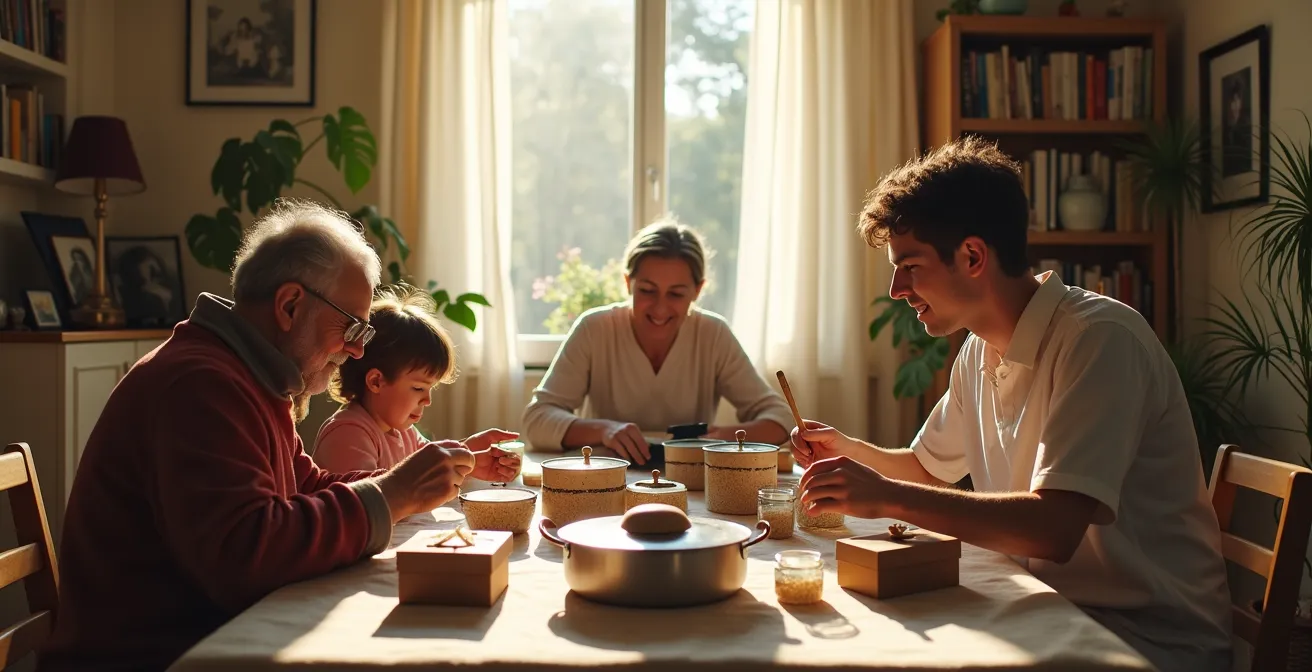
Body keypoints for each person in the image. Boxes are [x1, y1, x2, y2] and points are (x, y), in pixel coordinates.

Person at [793, 137, 1232, 672]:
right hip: (1046, 608)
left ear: (973, 256)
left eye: (909, 265)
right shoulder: (979, 349)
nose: (895, 288)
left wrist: (883, 497)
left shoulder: (1099, 339)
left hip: (1142, 640)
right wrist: (847, 451)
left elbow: (1052, 528)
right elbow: (928, 471)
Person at [39, 201, 486, 671]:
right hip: (152, 658)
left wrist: (405, 487)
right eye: (352, 326)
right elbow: (244, 554)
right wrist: (391, 494)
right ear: (290, 304)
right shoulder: (200, 385)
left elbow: (305, 484)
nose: (356, 349)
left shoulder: (247, 377)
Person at [522, 219, 793, 462]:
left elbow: (780, 419)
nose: (660, 309)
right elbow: (537, 420)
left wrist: (721, 440)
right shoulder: (594, 329)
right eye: (647, 291)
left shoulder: (712, 334)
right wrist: (605, 430)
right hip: (606, 479)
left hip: (691, 482)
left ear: (697, 290)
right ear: (628, 283)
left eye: (675, 294)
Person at [315, 286, 522, 476]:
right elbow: (369, 502)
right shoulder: (348, 434)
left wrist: (468, 452)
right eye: (418, 388)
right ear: (376, 381)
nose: (427, 401)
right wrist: (463, 463)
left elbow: (429, 464)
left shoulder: (402, 431)